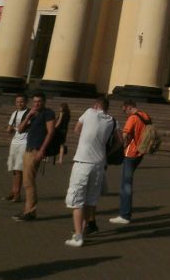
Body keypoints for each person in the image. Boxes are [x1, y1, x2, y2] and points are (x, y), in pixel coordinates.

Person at [63, 96, 120, 248]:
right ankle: (82, 231)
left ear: (95, 105)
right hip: (99, 164)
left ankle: (78, 237)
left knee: (76, 201)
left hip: (83, 163)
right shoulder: (113, 121)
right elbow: (120, 141)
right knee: (90, 200)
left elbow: (76, 129)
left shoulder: (89, 112)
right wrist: (107, 153)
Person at [13, 91, 56, 221]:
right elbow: (20, 129)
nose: (37, 104)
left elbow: (51, 132)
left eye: (39, 101)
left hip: (36, 150)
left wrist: (42, 150)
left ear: (44, 102)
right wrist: (28, 117)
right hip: (28, 149)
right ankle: (28, 210)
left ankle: (30, 212)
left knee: (28, 181)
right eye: (35, 101)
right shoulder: (31, 114)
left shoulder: (48, 113)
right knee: (27, 181)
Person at [109, 100, 151, 226]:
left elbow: (124, 135)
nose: (125, 113)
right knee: (127, 182)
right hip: (140, 152)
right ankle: (125, 214)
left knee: (126, 185)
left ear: (128, 107)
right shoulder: (145, 115)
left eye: (124, 110)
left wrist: (115, 149)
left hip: (130, 153)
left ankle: (125, 215)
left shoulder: (132, 118)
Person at [4, 95, 29, 202]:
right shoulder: (14, 113)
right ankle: (13, 191)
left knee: (19, 168)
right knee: (14, 169)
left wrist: (15, 127)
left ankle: (17, 193)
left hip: (24, 142)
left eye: (22, 101)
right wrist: (9, 129)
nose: (19, 104)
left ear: (26, 102)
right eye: (17, 102)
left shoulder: (29, 113)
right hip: (14, 142)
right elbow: (9, 128)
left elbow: (24, 127)